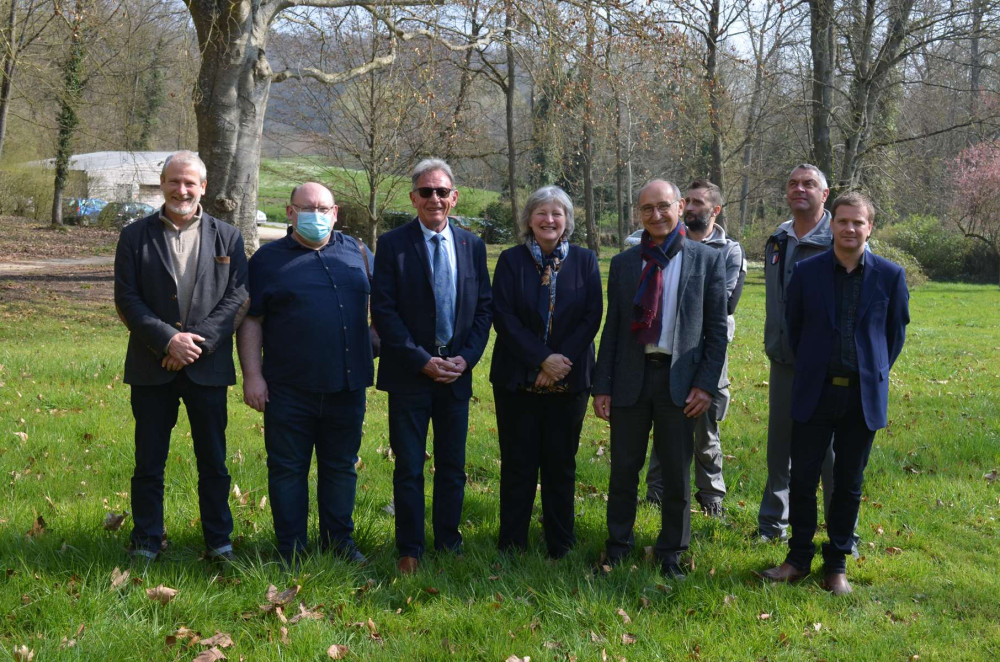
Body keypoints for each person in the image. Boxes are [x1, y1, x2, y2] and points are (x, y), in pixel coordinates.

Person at [760, 191, 909, 594]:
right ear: (833, 223)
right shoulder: (807, 273)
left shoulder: (890, 276)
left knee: (848, 482)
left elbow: (894, 336)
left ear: (869, 227)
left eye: (858, 222)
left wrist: (870, 370)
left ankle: (837, 565)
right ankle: (798, 559)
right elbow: (794, 325)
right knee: (804, 479)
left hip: (862, 397)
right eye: (842, 221)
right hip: (814, 392)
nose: (849, 228)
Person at [113, 150, 247, 562]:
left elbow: (238, 297)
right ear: (162, 184)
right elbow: (127, 299)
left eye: (190, 183)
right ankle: (147, 540)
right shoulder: (134, 236)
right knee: (148, 461)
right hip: (152, 367)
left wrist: (193, 344)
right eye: (174, 181)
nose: (182, 189)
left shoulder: (228, 236)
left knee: (214, 461)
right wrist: (167, 341)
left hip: (207, 367)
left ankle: (219, 541)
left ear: (204, 187)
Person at [592, 179, 728, 579]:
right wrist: (602, 386)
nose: (656, 215)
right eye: (647, 209)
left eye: (663, 206)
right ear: (639, 213)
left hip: (681, 384)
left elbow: (716, 333)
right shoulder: (624, 264)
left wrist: (705, 384)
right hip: (631, 381)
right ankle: (618, 546)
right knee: (623, 471)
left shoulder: (706, 260)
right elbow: (613, 329)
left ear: (681, 206)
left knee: (675, 473)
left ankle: (672, 553)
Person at [236, 182, 374, 565]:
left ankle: (339, 542)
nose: (317, 214)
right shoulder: (267, 259)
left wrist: (372, 346)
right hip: (287, 387)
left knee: (341, 468)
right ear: (290, 211)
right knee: (287, 470)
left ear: (335, 212)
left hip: (347, 386)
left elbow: (384, 308)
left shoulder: (359, 253)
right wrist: (253, 376)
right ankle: (291, 548)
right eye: (307, 207)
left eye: (323, 208)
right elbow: (252, 319)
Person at [371, 158, 492, 574]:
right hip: (410, 375)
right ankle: (410, 546)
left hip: (456, 375)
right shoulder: (392, 245)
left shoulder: (471, 246)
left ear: (454, 198)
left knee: (453, 467)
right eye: (426, 192)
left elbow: (483, 311)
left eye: (442, 192)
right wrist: (422, 361)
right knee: (408, 467)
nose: (434, 199)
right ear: (413, 198)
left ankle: (448, 540)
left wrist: (466, 358)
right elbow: (384, 312)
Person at [490, 186, 602, 558]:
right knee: (518, 463)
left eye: (557, 213)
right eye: (541, 212)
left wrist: (557, 364)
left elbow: (592, 316)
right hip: (516, 378)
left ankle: (560, 542)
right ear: (529, 219)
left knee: (560, 464)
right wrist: (540, 359)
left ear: (567, 220)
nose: (549, 219)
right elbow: (503, 317)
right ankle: (512, 542)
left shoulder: (586, 261)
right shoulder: (510, 260)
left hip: (570, 380)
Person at [645, 179, 747, 517]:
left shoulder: (729, 250)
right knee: (665, 424)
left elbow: (725, 303)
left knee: (705, 429)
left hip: (708, 354)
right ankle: (656, 493)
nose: (689, 208)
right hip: (668, 351)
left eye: (698, 203)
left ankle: (711, 495)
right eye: (686, 201)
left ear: (715, 210)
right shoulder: (666, 244)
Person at [758, 164, 840, 543]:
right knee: (780, 448)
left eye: (809, 184)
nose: (799, 189)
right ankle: (772, 525)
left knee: (829, 453)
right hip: (784, 360)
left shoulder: (839, 237)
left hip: (826, 365)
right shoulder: (778, 238)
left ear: (825, 194)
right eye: (792, 183)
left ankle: (841, 531)